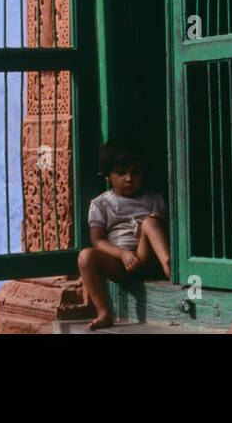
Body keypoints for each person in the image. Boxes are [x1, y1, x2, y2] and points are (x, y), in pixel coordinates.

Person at [77, 139, 171, 329]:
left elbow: (163, 231)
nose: (129, 178)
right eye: (121, 173)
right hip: (119, 263)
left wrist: (159, 221)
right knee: (85, 256)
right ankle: (103, 312)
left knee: (150, 223)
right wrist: (123, 254)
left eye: (135, 172)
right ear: (107, 176)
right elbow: (97, 241)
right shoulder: (101, 204)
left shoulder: (153, 199)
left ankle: (169, 267)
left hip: (146, 257)